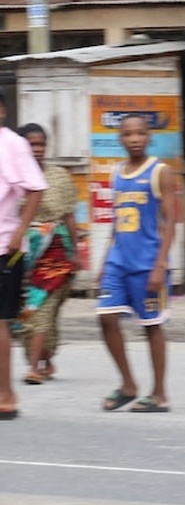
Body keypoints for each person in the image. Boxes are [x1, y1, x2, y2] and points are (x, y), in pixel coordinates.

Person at [97, 113, 177, 413]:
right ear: (120, 139)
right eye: (128, 134)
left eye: (140, 133)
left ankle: (159, 393)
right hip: (119, 261)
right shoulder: (116, 173)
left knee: (151, 326)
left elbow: (170, 222)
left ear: (149, 137)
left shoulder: (160, 172)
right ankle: (128, 384)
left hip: (147, 263)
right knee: (105, 317)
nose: (134, 139)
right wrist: (105, 261)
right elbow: (116, 223)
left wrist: (160, 265)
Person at [16, 123, 79, 385]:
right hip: (21, 254)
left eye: (41, 144)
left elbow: (69, 217)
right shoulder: (11, 176)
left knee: (42, 309)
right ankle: (46, 358)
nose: (38, 149)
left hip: (56, 255)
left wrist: (76, 252)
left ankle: (33, 368)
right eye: (32, 144)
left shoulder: (59, 177)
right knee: (24, 313)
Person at [0, 91, 46, 420]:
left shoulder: (12, 143)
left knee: (0, 323)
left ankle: (7, 393)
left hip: (5, 247)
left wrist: (20, 230)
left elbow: (36, 187)